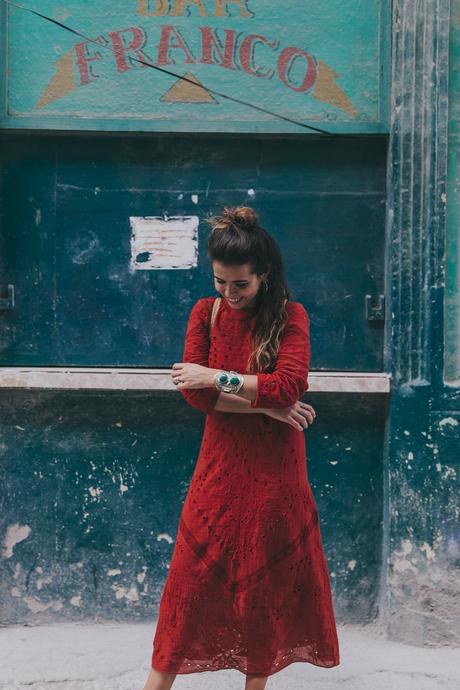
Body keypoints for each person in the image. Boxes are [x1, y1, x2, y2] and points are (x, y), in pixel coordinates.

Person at [142, 206, 340, 690]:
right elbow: (196, 396)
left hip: (275, 473)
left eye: (241, 285)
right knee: (188, 582)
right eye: (220, 283)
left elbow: (287, 386)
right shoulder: (204, 313)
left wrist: (218, 376)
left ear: (264, 276)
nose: (229, 295)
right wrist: (264, 407)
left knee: (262, 588)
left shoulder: (292, 317)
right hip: (219, 466)